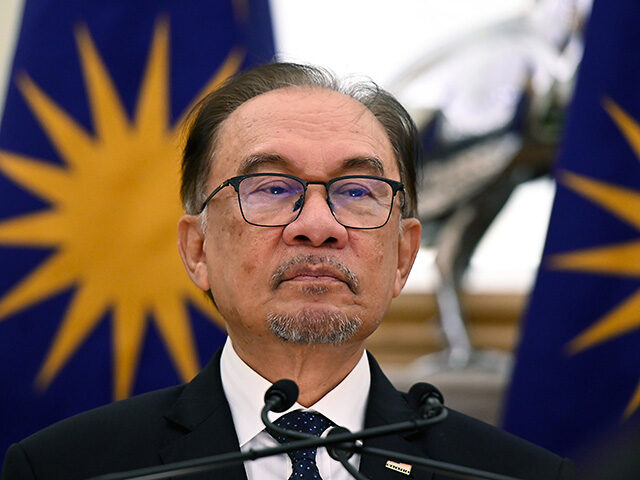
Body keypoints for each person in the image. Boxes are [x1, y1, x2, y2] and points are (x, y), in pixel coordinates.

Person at [1, 63, 576, 480]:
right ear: (197, 249)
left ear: (403, 256)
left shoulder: (510, 475)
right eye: (273, 188)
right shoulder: (66, 468)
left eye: (357, 191)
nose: (319, 225)